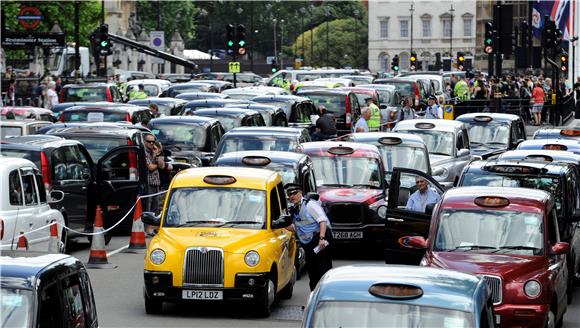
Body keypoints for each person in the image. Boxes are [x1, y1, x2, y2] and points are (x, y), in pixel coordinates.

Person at [284, 184, 332, 291]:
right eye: (289, 194)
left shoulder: (310, 205)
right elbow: (296, 228)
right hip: (309, 244)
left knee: (323, 270)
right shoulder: (293, 209)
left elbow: (322, 221)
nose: (292, 196)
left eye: (294, 193)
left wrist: (322, 238)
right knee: (312, 272)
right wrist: (280, 224)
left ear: (301, 193)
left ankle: (326, 297)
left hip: (320, 239)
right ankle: (313, 299)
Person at [144, 134, 172, 233]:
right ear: (145, 142)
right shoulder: (144, 153)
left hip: (156, 181)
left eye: (153, 141)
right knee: (148, 205)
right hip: (147, 181)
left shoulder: (154, 152)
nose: (151, 143)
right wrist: (156, 162)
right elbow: (150, 167)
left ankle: (154, 227)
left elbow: (161, 166)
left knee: (156, 206)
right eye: (149, 141)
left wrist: (157, 154)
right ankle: (147, 228)